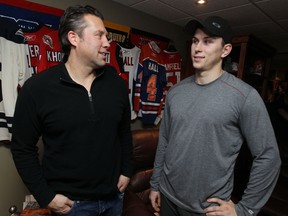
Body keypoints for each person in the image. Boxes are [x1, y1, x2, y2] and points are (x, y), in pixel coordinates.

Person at [149, 16, 281, 215]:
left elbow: (269, 157)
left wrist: (245, 209)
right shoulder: (176, 92)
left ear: (225, 50)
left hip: (206, 209)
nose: (198, 48)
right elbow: (165, 141)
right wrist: (155, 184)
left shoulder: (244, 96)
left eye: (208, 41)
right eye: (195, 41)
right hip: (168, 197)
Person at [11, 5, 133, 216]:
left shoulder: (116, 83)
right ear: (74, 38)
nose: (107, 43)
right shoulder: (37, 88)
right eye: (99, 35)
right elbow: (22, 148)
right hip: (71, 206)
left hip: (114, 199)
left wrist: (126, 171)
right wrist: (46, 196)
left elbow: (123, 132)